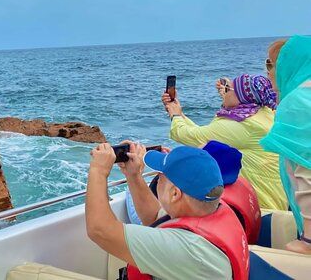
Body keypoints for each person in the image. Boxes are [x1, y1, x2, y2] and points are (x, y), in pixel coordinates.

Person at [85, 143, 248, 280]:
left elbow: (100, 230)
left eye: (161, 175)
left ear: (175, 193)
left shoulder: (190, 248)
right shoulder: (214, 211)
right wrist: (133, 176)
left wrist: (98, 171)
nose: (158, 177)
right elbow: (155, 218)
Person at [161, 74, 287, 210]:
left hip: (261, 205)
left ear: (241, 97)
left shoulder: (243, 125)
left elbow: (188, 135)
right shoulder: (265, 113)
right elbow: (204, 133)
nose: (223, 93)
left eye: (228, 89)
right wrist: (178, 113)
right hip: (275, 197)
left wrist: (175, 114)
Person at [260, 35, 311, 255]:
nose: (269, 72)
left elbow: (306, 174)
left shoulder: (297, 103)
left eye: (271, 64)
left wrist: (308, 241)